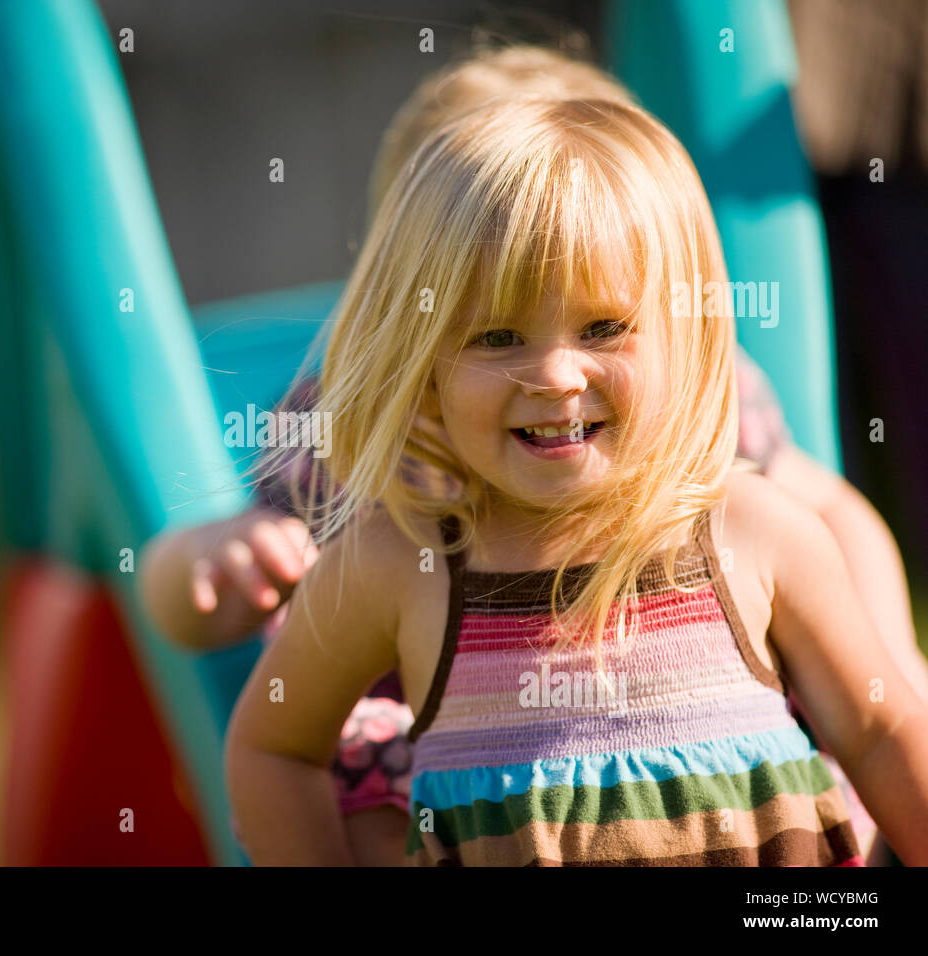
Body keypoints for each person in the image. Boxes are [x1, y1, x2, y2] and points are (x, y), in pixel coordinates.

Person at [140, 47, 928, 865]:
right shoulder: (378, 518)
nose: (554, 375)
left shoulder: (749, 511)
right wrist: (205, 564)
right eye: (497, 334)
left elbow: (876, 707)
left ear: (683, 332)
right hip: (431, 745)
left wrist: (895, 660)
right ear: (415, 348)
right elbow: (267, 733)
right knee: (363, 767)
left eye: (601, 326)